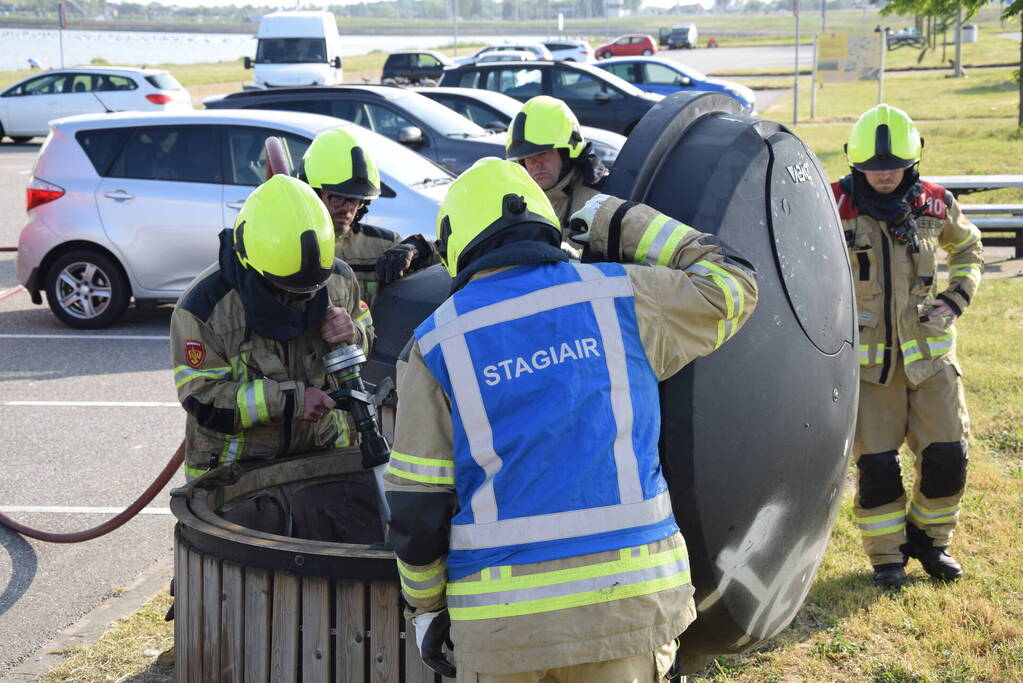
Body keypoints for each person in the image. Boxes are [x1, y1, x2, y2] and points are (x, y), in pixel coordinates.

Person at [384, 158, 757, 681]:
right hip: (628, 610)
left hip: (502, 628)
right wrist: (621, 220)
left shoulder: (434, 344)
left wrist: (426, 610)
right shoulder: (624, 296)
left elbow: (417, 506)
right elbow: (733, 279)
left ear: (455, 245)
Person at [832, 104, 983, 590]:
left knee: (948, 457)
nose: (883, 177)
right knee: (877, 468)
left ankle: (930, 541)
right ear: (856, 165)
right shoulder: (832, 206)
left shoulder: (935, 204)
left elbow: (969, 248)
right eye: (873, 169)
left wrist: (955, 298)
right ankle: (886, 557)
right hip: (868, 366)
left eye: (893, 167)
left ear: (912, 162)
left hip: (932, 359)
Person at [170, 174, 368, 480]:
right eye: (287, 288)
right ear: (253, 262)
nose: (301, 298)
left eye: (309, 290)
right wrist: (291, 401)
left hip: (325, 460)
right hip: (236, 476)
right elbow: (203, 399)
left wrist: (354, 333)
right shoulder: (204, 308)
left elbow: (367, 338)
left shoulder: (337, 278)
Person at [299, 128, 438, 309]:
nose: (348, 208)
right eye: (338, 198)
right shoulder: (291, 246)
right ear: (313, 194)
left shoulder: (384, 245)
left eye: (355, 200)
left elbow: (444, 264)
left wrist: (417, 248)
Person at [505, 95, 608, 238]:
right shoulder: (520, 205)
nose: (535, 163)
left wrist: (577, 256)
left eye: (543, 153)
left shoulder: (600, 199)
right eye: (527, 158)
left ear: (567, 153)